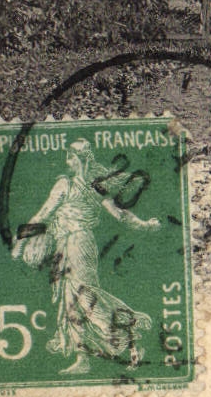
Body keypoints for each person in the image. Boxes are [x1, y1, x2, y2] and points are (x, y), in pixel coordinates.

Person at [12, 138, 160, 374]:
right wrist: (145, 225)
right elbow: (120, 215)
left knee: (84, 296)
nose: (66, 161)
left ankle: (128, 330)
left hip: (76, 243)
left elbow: (42, 215)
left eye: (69, 156)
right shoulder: (96, 186)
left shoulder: (65, 184)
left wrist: (20, 242)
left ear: (77, 158)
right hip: (72, 243)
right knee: (71, 301)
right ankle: (84, 358)